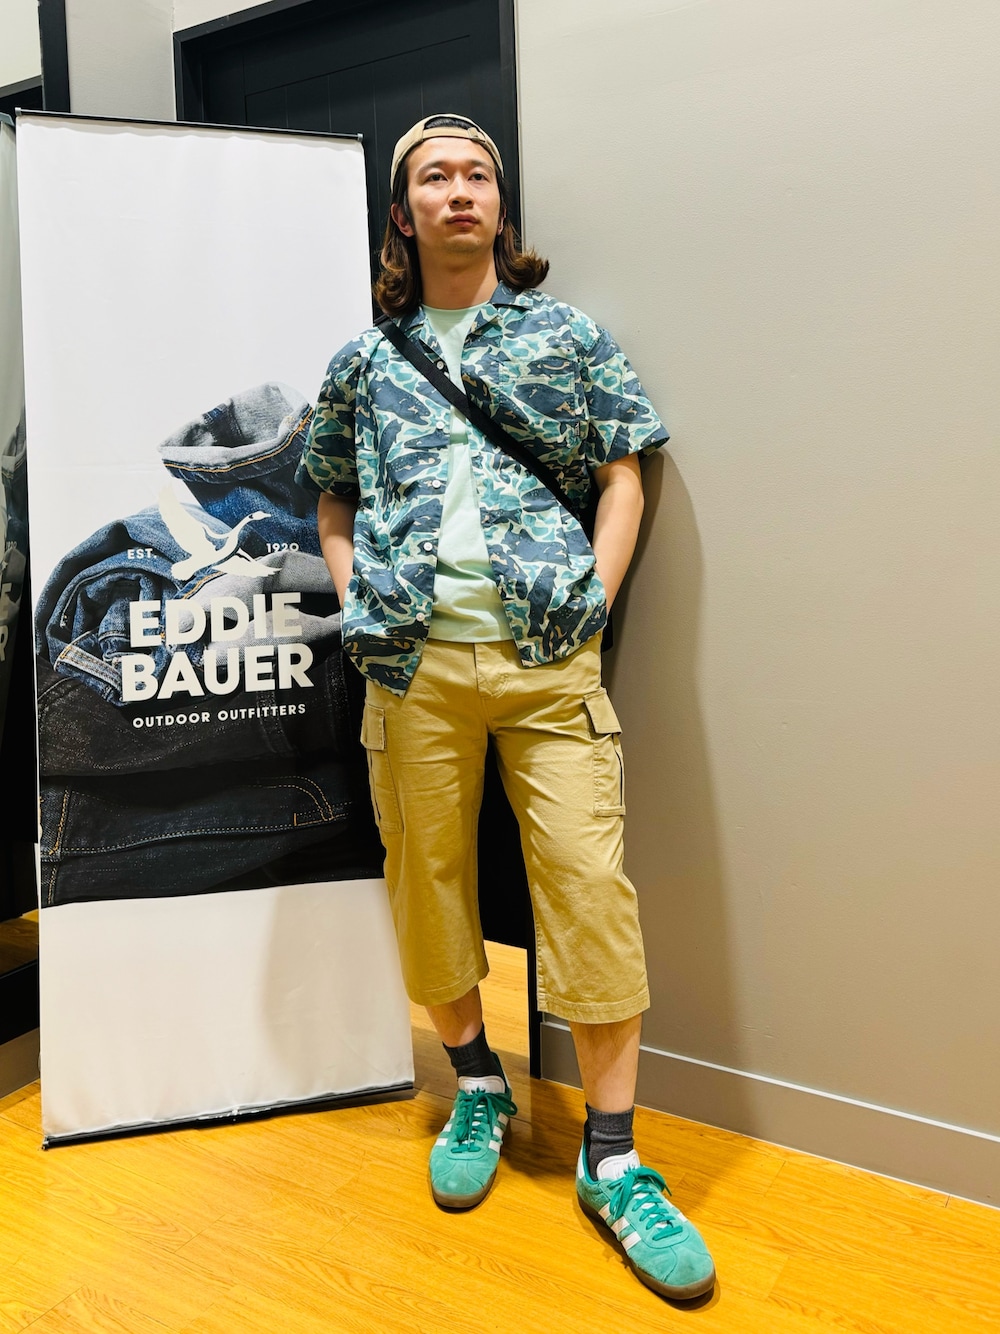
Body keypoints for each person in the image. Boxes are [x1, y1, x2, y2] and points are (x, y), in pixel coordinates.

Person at [296, 113, 716, 1302]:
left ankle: (612, 1154)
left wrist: (595, 597)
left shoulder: (565, 335)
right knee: (425, 876)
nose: (460, 190)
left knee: (587, 884)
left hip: (545, 661)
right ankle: (476, 1082)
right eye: (435, 176)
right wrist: (358, 594)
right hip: (411, 668)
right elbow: (330, 497)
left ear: (498, 202)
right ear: (403, 212)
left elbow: (626, 470)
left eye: (477, 174)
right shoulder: (364, 361)